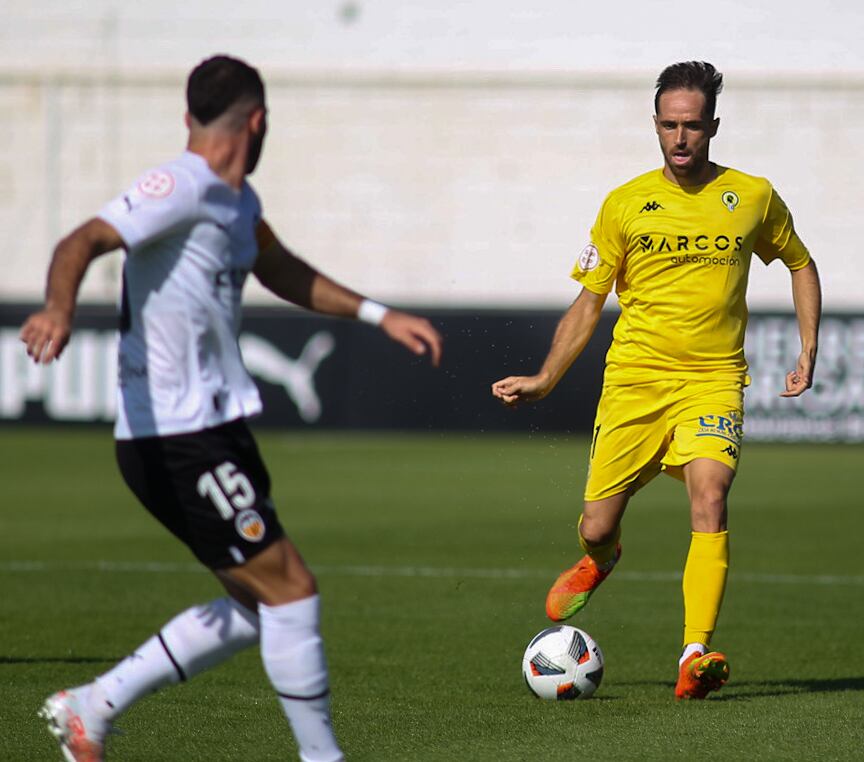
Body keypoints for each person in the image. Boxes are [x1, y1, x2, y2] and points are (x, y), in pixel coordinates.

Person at [22, 55, 442, 762]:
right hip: (176, 437)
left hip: (217, 429)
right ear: (258, 121)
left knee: (259, 609)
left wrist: (376, 313)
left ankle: (92, 708)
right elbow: (82, 240)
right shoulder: (178, 187)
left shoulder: (238, 202)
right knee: (293, 592)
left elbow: (281, 269)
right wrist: (59, 308)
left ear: (193, 116)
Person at [492, 61, 820, 700]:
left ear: (713, 127)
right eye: (669, 125)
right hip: (636, 382)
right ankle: (603, 556)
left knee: (711, 497)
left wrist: (809, 350)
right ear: (655, 125)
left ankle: (694, 654)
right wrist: (546, 377)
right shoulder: (623, 203)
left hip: (713, 380)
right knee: (594, 523)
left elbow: (800, 264)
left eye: (692, 126)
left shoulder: (752, 196)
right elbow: (588, 302)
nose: (680, 139)